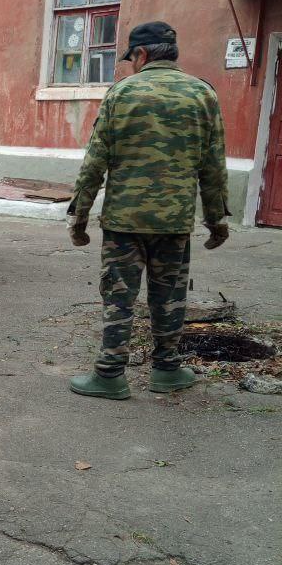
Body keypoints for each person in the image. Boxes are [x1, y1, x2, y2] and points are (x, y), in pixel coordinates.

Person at [67, 21, 230, 401]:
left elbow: (96, 161)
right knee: (169, 296)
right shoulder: (202, 94)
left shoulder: (122, 93)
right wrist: (216, 220)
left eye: (132, 58)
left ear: (141, 54)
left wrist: (80, 215)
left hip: (124, 221)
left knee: (119, 296)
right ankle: (167, 370)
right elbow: (213, 165)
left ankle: (110, 376)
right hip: (174, 221)